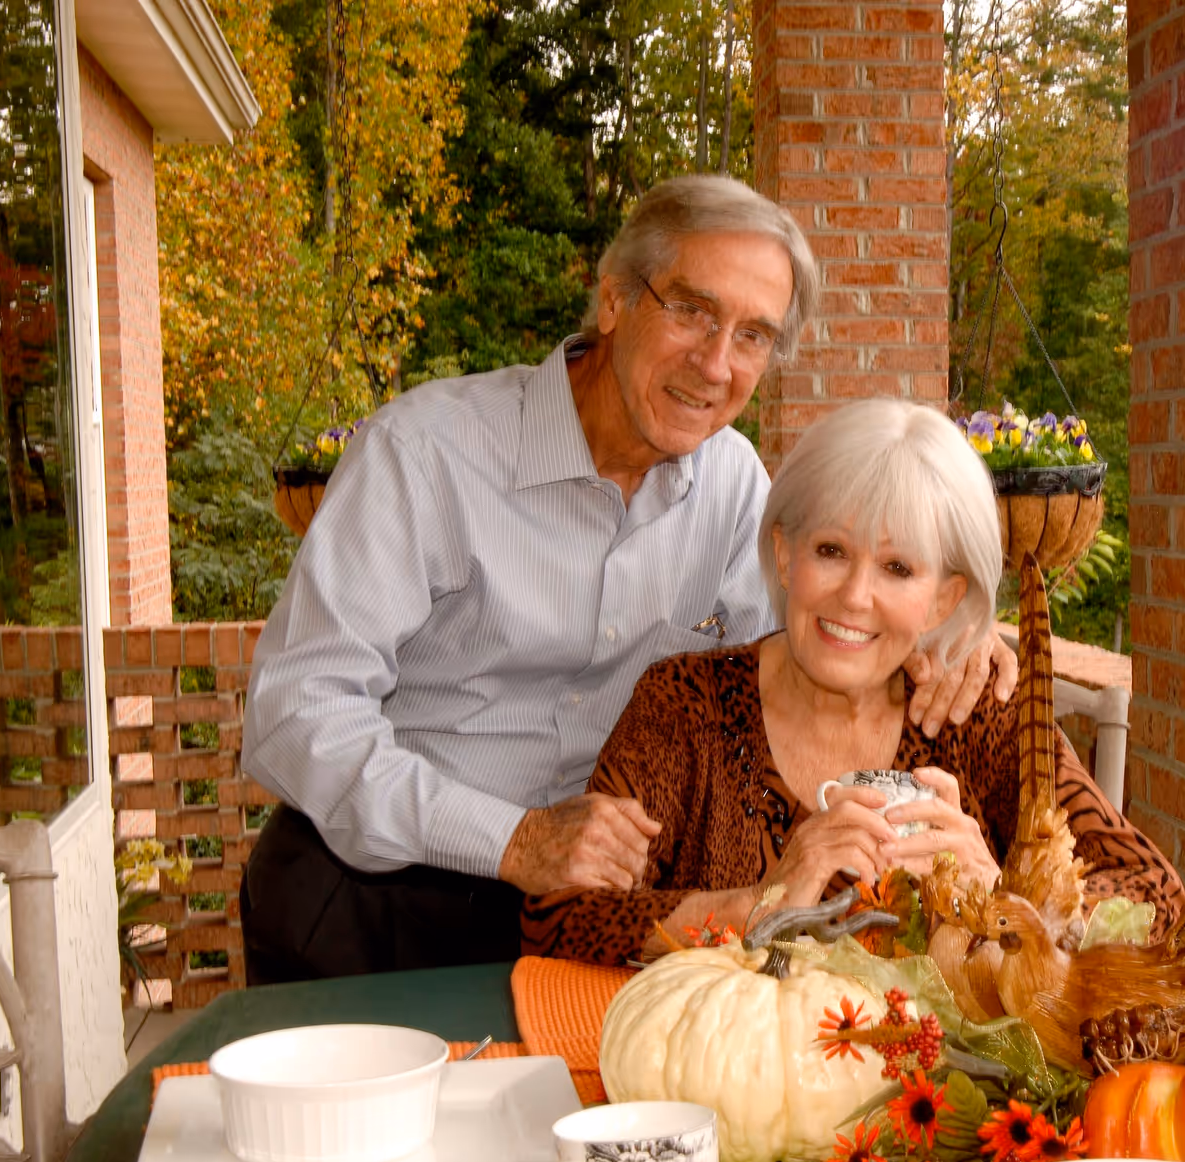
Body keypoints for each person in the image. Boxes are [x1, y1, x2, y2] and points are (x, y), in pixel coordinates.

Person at [240, 177, 1015, 983]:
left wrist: (951, 639)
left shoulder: (736, 489)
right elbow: (296, 711)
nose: (716, 363)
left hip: (585, 927)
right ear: (613, 299)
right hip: (373, 903)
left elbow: (807, 653)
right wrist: (513, 839)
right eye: (691, 310)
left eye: (753, 335)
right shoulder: (425, 454)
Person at [519, 399, 1185, 966]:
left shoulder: (972, 714)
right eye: (831, 551)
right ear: (784, 553)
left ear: (942, 599)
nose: (855, 596)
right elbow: (558, 917)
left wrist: (1009, 900)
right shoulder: (684, 706)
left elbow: (1160, 901)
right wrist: (763, 902)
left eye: (898, 568)